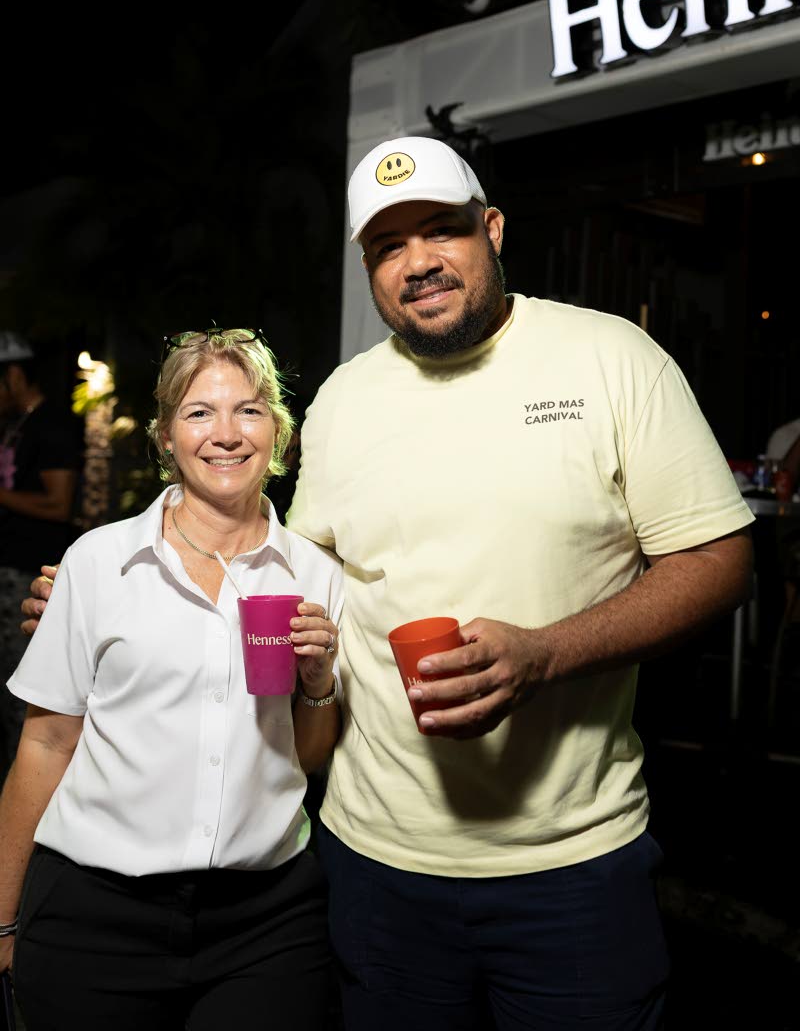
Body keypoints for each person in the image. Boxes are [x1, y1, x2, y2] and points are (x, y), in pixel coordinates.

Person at [23, 140, 755, 1030]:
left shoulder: (612, 359)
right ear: (370, 269)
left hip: (570, 864)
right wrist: (100, 590)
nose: (419, 263)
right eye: (387, 246)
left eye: (441, 230)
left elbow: (718, 562)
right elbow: (283, 575)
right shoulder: (342, 400)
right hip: (374, 864)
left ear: (491, 230)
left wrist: (545, 653)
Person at [2, 328, 343, 1030]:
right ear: (166, 437)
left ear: (278, 431)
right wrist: (2, 920)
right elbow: (44, 747)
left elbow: (305, 758)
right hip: (94, 917)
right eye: (198, 413)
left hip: (265, 924)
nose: (226, 434)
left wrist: (316, 679)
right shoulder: (97, 564)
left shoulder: (316, 576)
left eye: (248, 410)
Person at [0, 333, 80, 779]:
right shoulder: (16, 424)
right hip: (7, 570)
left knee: (24, 692)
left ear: (14, 375)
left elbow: (59, 503)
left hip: (30, 571)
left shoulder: (51, 425)